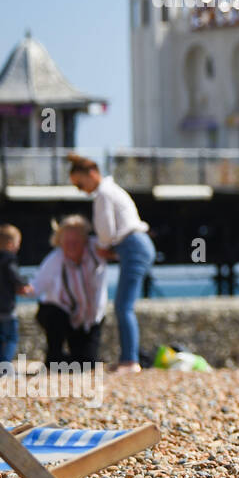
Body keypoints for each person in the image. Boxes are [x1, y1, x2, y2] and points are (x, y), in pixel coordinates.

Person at [67, 155, 155, 374]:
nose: (80, 189)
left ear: (92, 174)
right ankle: (128, 358)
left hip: (133, 246)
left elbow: (106, 229)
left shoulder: (104, 194)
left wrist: (102, 247)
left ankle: (130, 361)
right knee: (124, 306)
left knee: (123, 307)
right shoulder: (111, 190)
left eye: (80, 183)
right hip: (135, 245)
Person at [29, 215, 108, 369]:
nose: (71, 246)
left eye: (76, 242)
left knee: (86, 364)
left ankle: (65, 360)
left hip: (89, 320)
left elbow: (113, 248)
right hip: (63, 315)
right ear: (60, 242)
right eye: (67, 242)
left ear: (84, 241)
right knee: (52, 313)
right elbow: (36, 287)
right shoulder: (55, 259)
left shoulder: (96, 251)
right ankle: (54, 355)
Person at [0, 224, 35, 366]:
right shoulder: (9, 259)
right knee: (11, 338)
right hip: (7, 308)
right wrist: (24, 284)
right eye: (17, 244)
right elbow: (14, 275)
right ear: (10, 244)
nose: (18, 248)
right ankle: (5, 365)